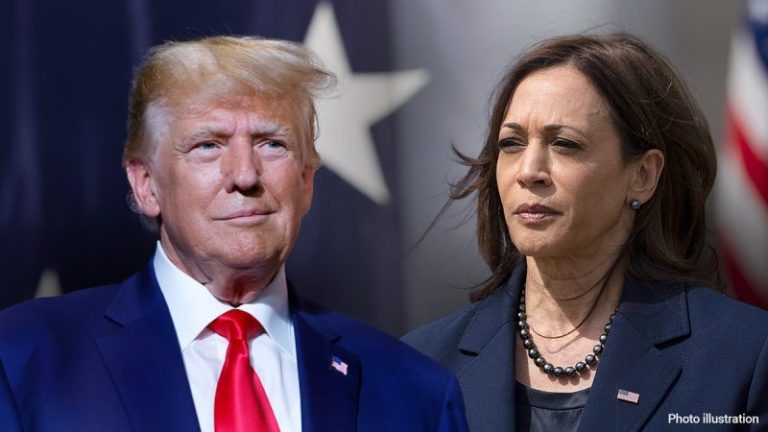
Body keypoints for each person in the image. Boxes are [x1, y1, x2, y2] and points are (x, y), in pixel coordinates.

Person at [0, 36, 468, 432]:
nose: (245, 175)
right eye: (208, 145)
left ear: (306, 181)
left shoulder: (414, 392)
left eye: (272, 143)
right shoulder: (23, 360)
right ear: (146, 185)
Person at [404, 33, 768, 431]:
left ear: (642, 176)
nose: (529, 171)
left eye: (564, 143)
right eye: (511, 144)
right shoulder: (420, 363)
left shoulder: (745, 357)